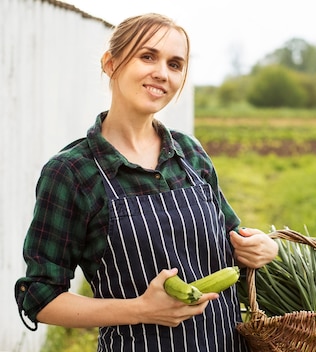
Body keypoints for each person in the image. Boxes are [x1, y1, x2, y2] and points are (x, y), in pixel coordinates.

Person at [14, 13, 277, 351]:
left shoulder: (189, 152)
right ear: (111, 63)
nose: (162, 73)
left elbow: (233, 240)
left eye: (175, 64)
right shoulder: (72, 172)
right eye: (147, 56)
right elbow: (40, 298)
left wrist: (263, 247)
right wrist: (141, 309)